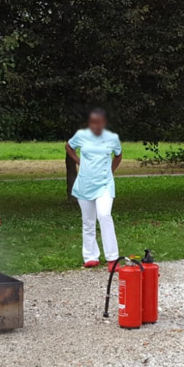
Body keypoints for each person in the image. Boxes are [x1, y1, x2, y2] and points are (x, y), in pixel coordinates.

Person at [65, 108, 122, 268]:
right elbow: (69, 147)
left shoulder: (112, 138)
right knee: (88, 221)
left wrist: (111, 171)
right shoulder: (81, 136)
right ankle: (90, 256)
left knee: (104, 216)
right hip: (84, 184)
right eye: (92, 122)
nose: (95, 125)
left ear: (104, 123)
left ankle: (112, 258)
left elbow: (118, 155)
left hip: (104, 184)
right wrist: (78, 161)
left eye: (99, 122)